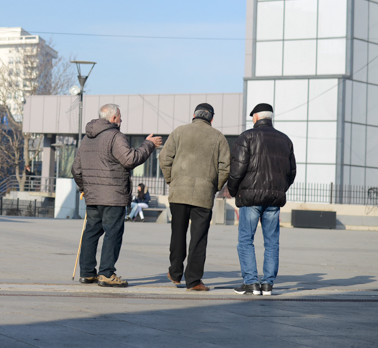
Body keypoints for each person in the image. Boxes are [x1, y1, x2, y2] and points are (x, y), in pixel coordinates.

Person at [72, 104, 162, 288]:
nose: (121, 120)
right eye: (120, 117)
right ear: (113, 118)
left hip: (93, 195)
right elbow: (130, 159)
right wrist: (148, 145)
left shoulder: (86, 139)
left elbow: (76, 169)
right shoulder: (115, 136)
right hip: (113, 195)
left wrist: (84, 187)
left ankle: (87, 273)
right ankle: (106, 273)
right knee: (113, 233)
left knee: (91, 232)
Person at [159, 103, 230, 292]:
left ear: (193, 115)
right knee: (199, 238)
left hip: (179, 191)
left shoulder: (179, 131)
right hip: (203, 194)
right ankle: (194, 281)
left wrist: (171, 180)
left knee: (178, 233)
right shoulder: (218, 137)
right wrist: (214, 186)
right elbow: (225, 166)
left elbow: (164, 158)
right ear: (211, 118)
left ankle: (175, 273)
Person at [228, 103, 296, 297]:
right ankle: (267, 284)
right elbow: (291, 172)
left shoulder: (247, 137)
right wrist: (279, 189)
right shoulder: (285, 140)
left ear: (256, 117)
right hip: (274, 199)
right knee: (272, 242)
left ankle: (251, 283)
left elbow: (237, 168)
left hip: (250, 198)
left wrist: (233, 190)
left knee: (245, 240)